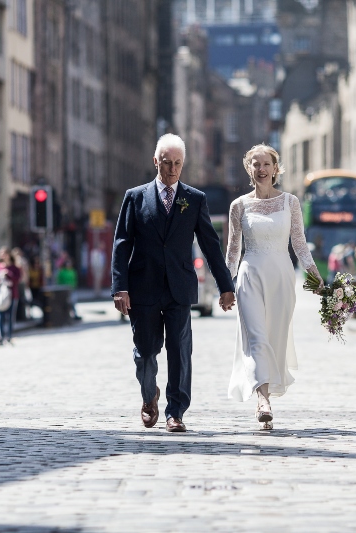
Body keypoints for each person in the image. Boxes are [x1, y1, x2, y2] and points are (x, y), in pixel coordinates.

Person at [112, 133, 235, 433]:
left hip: (179, 288)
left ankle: (175, 411)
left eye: (178, 164)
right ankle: (148, 394)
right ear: (156, 162)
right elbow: (122, 243)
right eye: (167, 163)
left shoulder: (194, 199)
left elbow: (210, 245)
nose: (172, 170)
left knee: (179, 350)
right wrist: (120, 287)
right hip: (144, 287)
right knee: (145, 351)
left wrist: (225, 286)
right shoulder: (135, 197)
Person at [225, 144, 321, 430]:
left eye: (266, 164)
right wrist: (224, 286)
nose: (261, 169)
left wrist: (315, 277)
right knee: (255, 338)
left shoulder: (290, 202)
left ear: (275, 169)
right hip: (250, 275)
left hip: (281, 277)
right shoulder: (238, 206)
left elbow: (300, 245)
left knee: (273, 339)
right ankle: (263, 400)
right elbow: (232, 250)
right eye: (255, 164)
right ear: (249, 169)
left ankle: (264, 392)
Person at [0, 247, 21, 346]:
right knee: (0, 317)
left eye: (5, 254)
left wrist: (8, 274)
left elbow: (17, 279)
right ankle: (0, 337)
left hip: (12, 295)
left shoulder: (14, 267)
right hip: (0, 294)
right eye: (1, 254)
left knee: (10, 317)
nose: (3, 256)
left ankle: (9, 336)